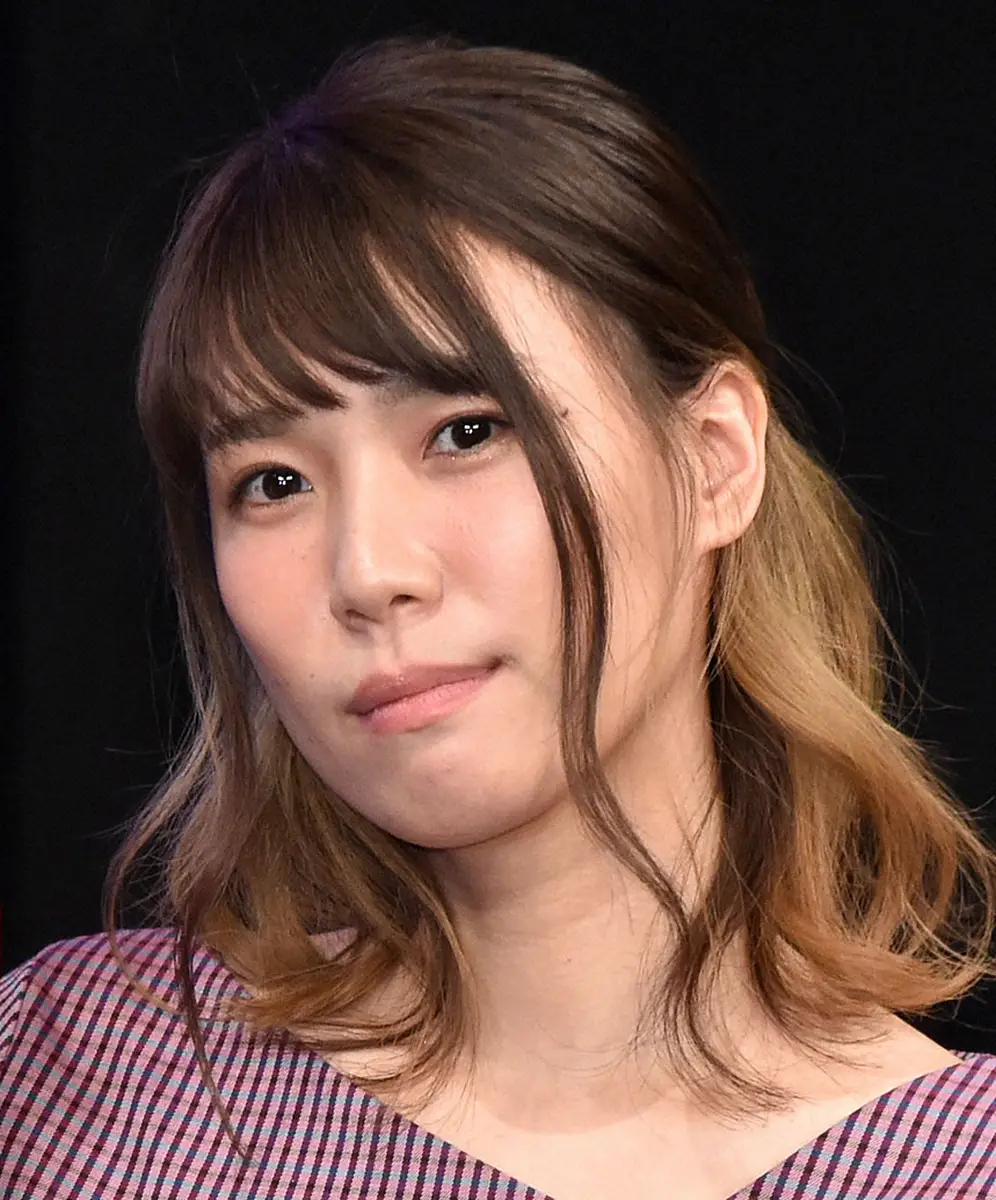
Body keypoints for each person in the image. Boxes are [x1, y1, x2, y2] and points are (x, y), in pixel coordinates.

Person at [1, 33, 994, 1200]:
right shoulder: (76, 1089)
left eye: (467, 431)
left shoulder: (951, 1167)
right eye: (271, 483)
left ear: (714, 458)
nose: (368, 570)